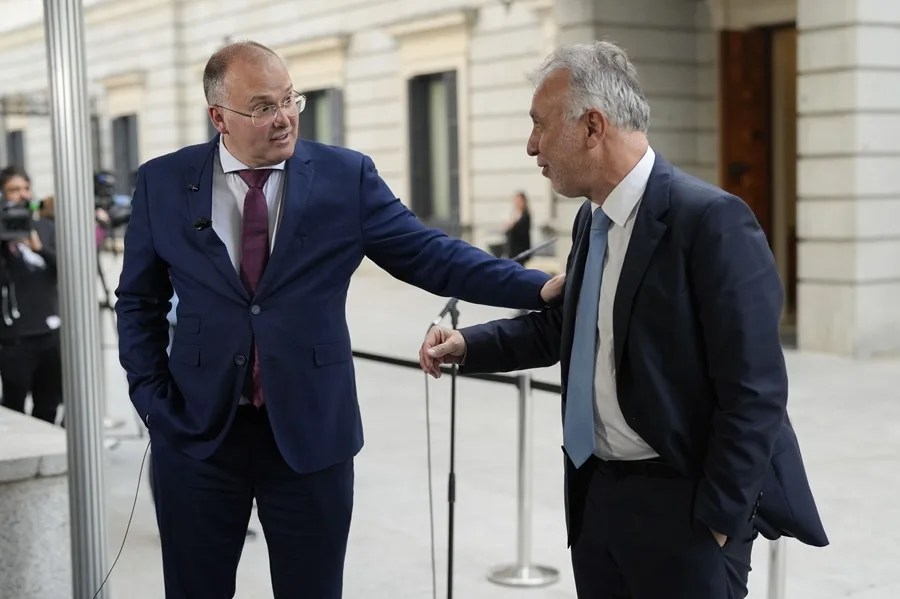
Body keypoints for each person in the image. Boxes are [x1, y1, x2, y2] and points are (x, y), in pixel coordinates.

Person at [114, 40, 563, 599]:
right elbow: (138, 302)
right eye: (262, 107)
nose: (284, 118)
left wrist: (535, 286)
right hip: (196, 436)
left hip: (311, 438)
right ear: (219, 118)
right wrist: (151, 400)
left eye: (289, 99)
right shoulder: (163, 182)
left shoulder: (345, 177)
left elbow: (430, 254)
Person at [420, 41, 828, 599]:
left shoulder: (711, 222)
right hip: (596, 500)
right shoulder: (592, 220)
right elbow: (565, 328)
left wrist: (717, 521)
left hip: (685, 514)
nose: (531, 145)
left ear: (592, 126)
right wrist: (466, 344)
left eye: (540, 124)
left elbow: (756, 391)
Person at [0, 166, 63, 425]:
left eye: (25, 188)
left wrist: (39, 248)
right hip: (14, 338)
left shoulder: (44, 227)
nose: (22, 195)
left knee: (48, 405)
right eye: (14, 190)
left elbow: (65, 270)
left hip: (49, 332)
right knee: (14, 409)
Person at [504, 190, 531, 261]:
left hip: (521, 248)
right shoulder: (513, 213)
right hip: (512, 248)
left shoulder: (525, 215)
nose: (517, 203)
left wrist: (512, 224)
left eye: (519, 201)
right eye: (516, 201)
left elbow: (519, 229)